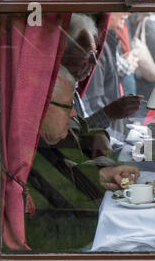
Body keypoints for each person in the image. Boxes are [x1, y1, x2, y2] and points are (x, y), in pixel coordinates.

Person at [27, 66, 140, 212]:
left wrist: (103, 174)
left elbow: (67, 176)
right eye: (68, 106)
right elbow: (61, 214)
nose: (74, 114)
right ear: (41, 106)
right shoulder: (26, 160)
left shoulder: (41, 147)